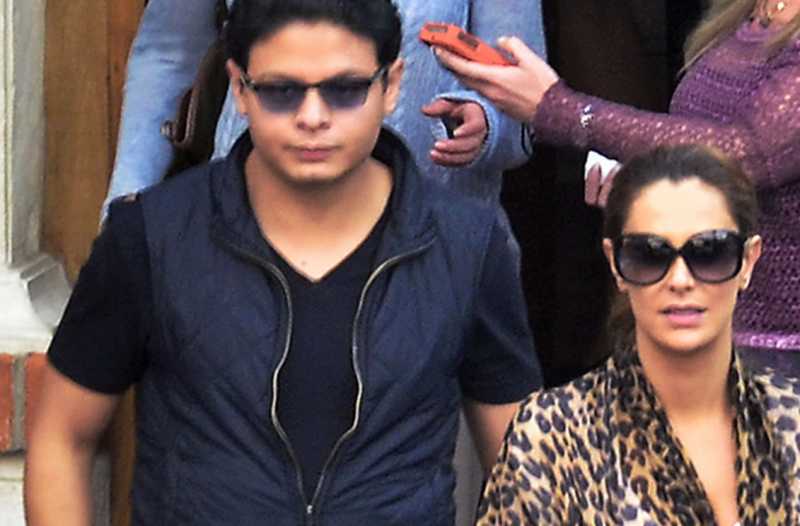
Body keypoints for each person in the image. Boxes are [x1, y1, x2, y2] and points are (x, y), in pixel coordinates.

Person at [24, 1, 542, 524]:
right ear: (240, 89)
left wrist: (491, 123)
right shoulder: (149, 239)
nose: (312, 117)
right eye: (281, 91)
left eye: (345, 90)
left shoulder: (467, 248)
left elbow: (528, 476)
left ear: (390, 86)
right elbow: (61, 437)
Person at [435, 0, 800, 376]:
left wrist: (563, 111)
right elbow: (711, 147)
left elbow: (748, 153)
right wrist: (648, 180)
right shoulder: (745, 10)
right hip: (700, 328)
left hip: (780, 353)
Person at [476, 145, 800, 525]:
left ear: (747, 261)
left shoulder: (791, 421)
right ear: (616, 264)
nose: (680, 280)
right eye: (650, 255)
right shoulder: (550, 434)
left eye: (710, 252)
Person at [103, 0, 546, 216]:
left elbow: (528, 95)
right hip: (245, 229)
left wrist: (486, 125)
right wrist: (125, 203)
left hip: (428, 245)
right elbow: (170, 53)